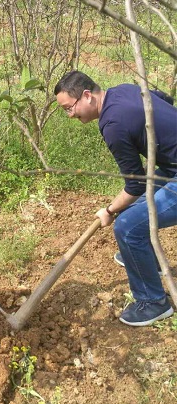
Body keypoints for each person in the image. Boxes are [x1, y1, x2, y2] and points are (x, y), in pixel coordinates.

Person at [54, 70, 177, 327]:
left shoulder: (113, 124)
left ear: (86, 96)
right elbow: (165, 98)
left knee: (126, 226)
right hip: (171, 166)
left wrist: (108, 211)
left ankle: (154, 303)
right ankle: (144, 261)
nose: (70, 115)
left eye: (69, 108)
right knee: (138, 209)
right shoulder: (123, 89)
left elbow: (134, 185)